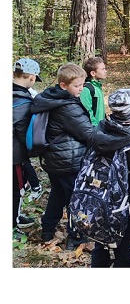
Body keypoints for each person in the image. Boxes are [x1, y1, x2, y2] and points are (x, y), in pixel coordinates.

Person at [29, 63, 95, 250]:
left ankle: (47, 230)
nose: (81, 89)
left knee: (58, 195)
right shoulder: (67, 106)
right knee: (75, 200)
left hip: (54, 160)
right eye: (77, 86)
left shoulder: (51, 97)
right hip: (68, 161)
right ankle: (76, 238)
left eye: (83, 85)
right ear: (64, 85)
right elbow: (88, 133)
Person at [87, 89, 130, 267]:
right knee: (124, 249)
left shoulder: (99, 132)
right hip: (125, 207)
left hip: (97, 199)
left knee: (100, 245)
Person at [12, 58, 42, 238]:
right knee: (15, 190)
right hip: (13, 154)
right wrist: (36, 149)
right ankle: (11, 227)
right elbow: (23, 131)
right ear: (31, 77)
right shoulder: (22, 101)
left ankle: (14, 216)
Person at [80, 56, 107, 125]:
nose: (105, 71)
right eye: (102, 69)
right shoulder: (87, 89)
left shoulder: (97, 87)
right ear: (93, 73)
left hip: (101, 127)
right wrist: (95, 128)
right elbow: (87, 111)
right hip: (93, 130)